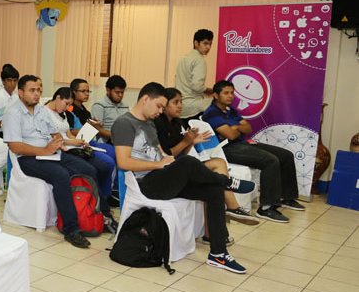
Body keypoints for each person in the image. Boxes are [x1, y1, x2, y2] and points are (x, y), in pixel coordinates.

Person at [112, 82, 248, 274]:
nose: (161, 111)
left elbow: (161, 154)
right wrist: (159, 165)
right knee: (188, 164)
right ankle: (227, 182)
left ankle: (218, 253)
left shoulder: (149, 123)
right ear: (145, 99)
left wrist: (170, 158)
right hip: (145, 184)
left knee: (213, 191)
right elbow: (123, 162)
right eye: (159, 105)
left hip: (161, 177)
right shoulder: (124, 123)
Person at [4, 75, 107, 247]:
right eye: (32, 90)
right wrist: (45, 150)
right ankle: (71, 229)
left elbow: (55, 134)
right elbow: (15, 147)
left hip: (50, 152)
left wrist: (62, 143)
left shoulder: (41, 111)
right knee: (61, 174)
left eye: (39, 90)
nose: (36, 94)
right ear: (20, 93)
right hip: (28, 158)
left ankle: (102, 215)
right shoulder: (12, 113)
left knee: (88, 168)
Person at [154, 87, 258, 227]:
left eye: (181, 101)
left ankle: (231, 206)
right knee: (214, 176)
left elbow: (182, 153)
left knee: (219, 163)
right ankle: (229, 188)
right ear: (164, 105)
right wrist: (187, 141)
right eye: (175, 102)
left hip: (182, 165)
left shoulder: (177, 123)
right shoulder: (158, 123)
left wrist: (191, 142)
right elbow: (168, 155)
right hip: (171, 171)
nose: (180, 105)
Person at [203, 80, 304, 223]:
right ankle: (266, 208)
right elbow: (230, 135)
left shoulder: (231, 111)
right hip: (227, 149)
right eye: (226, 93)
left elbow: (248, 127)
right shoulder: (211, 113)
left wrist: (234, 128)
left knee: (286, 155)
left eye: (232, 93)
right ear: (215, 95)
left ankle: (287, 197)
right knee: (270, 161)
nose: (230, 96)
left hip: (242, 144)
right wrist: (238, 127)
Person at [44, 86, 118, 232]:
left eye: (69, 105)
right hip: (61, 150)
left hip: (72, 147)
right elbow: (56, 139)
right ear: (57, 98)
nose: (67, 107)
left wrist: (79, 141)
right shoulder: (45, 113)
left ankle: (100, 203)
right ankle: (103, 211)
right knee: (90, 170)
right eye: (66, 103)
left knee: (103, 166)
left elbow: (68, 134)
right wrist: (74, 142)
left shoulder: (62, 113)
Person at [175, 29, 215, 120]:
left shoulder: (184, 58)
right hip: (194, 108)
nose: (208, 47)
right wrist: (209, 90)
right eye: (205, 43)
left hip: (181, 106)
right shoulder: (199, 60)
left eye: (210, 44)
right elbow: (197, 86)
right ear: (196, 43)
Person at [90, 75, 129, 142]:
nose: (120, 95)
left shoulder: (125, 107)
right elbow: (97, 129)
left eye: (122, 92)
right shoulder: (99, 106)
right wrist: (117, 137)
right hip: (106, 142)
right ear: (108, 90)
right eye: (117, 92)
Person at [0, 65, 19, 131]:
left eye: (15, 81)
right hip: (2, 134)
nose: (12, 84)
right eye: (9, 80)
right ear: (3, 81)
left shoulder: (16, 97)